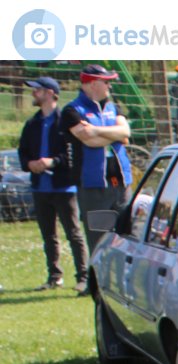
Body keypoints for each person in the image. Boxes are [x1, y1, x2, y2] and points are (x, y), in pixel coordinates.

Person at [58, 64, 132, 293]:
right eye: (105, 81)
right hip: (94, 185)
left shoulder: (114, 106)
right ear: (91, 84)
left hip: (121, 182)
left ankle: (123, 286)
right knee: (100, 238)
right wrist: (112, 134)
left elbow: (125, 133)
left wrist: (97, 131)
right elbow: (89, 140)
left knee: (126, 236)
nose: (110, 85)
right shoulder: (72, 111)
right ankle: (100, 286)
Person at [17, 75, 87, 291]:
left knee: (73, 234)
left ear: (49, 93)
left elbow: (73, 153)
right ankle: (54, 276)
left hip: (64, 187)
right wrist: (30, 164)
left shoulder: (65, 121)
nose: (33, 93)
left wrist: (53, 162)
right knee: (48, 235)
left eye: (37, 90)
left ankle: (83, 277)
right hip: (40, 187)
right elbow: (23, 152)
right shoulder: (32, 124)